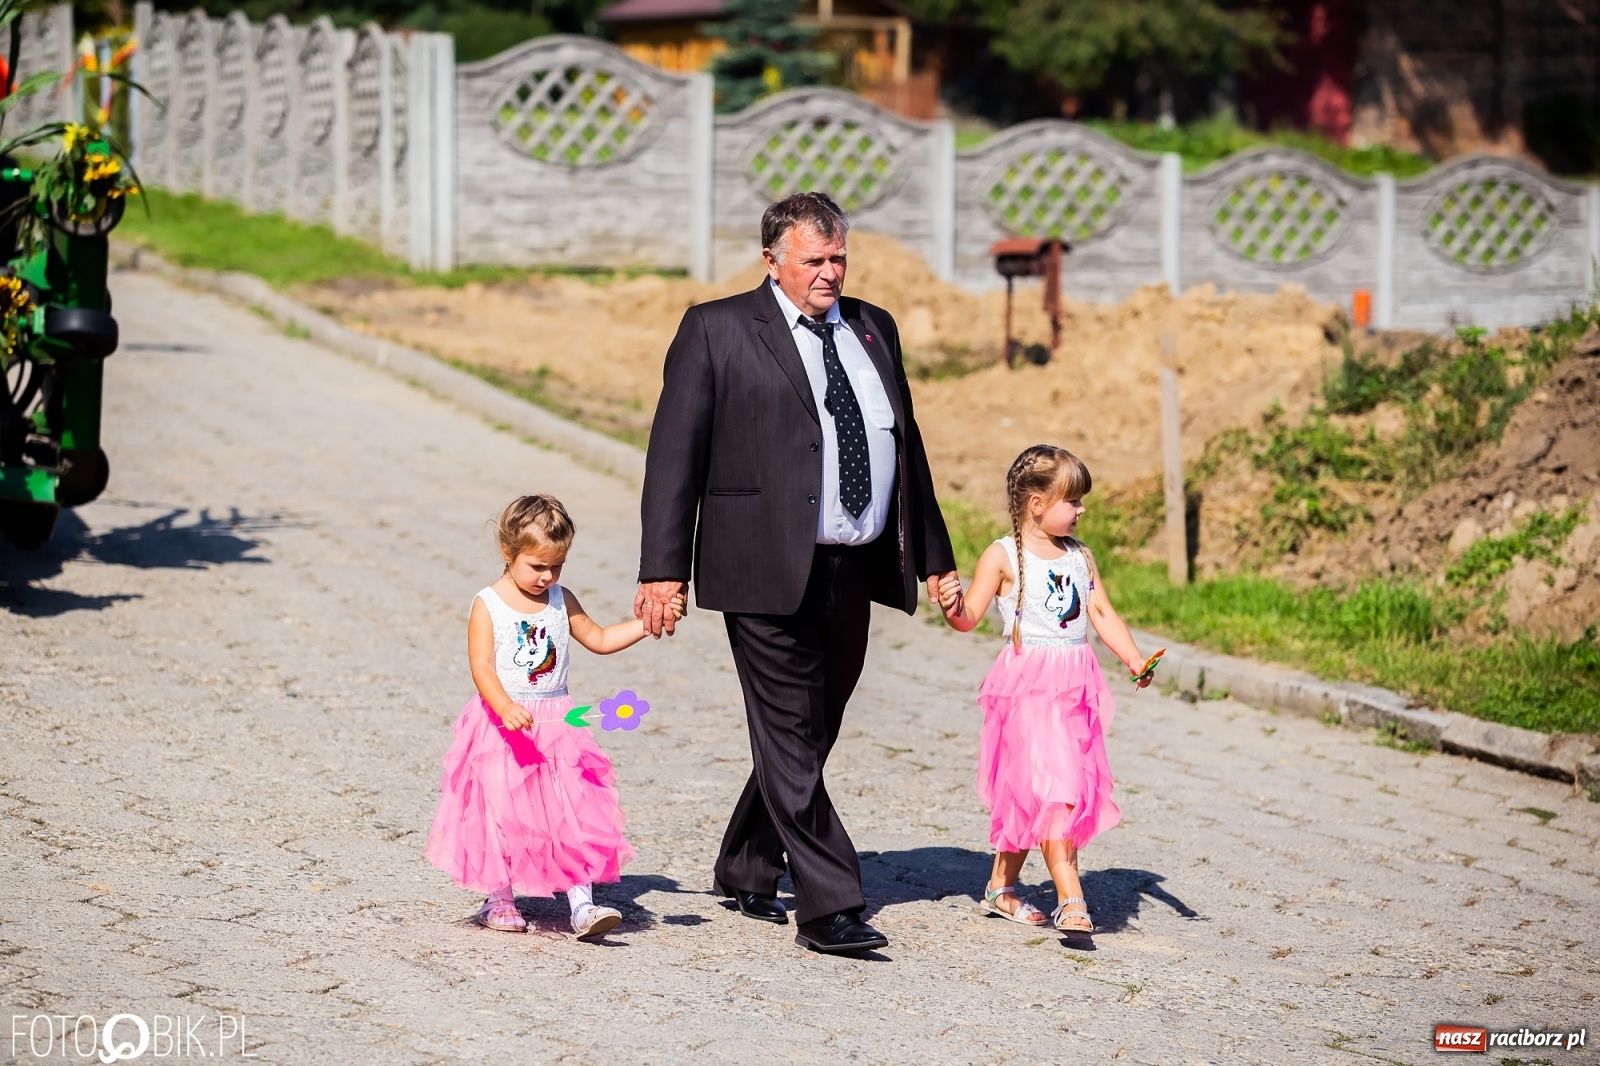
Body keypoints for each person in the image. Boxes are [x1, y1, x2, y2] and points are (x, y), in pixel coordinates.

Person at [635, 191, 959, 955]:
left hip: (853, 564)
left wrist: (936, 558)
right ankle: (829, 903)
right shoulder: (716, 329)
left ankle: (748, 862)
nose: (830, 272)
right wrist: (662, 570)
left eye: (839, 257)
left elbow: (906, 445)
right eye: (815, 259)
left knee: (810, 730)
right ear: (772, 261)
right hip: (759, 564)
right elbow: (674, 455)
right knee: (788, 727)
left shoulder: (874, 327)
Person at [426, 494, 683, 939]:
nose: (547, 576)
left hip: (558, 724)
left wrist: (647, 624)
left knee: (571, 810)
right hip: (504, 725)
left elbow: (600, 638)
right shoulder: (489, 603)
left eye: (557, 566)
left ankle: (582, 904)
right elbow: (482, 666)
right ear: (508, 553)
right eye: (537, 566)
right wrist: (505, 706)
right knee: (502, 812)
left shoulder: (562, 600)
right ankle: (500, 899)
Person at [933, 445, 1154, 933]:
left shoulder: (1080, 556)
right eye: (1072, 500)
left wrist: (1134, 658)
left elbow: (1101, 613)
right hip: (1027, 690)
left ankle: (1000, 887)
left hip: (1073, 689)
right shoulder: (1001, 555)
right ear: (1037, 503)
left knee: (1035, 790)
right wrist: (952, 606)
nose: (1081, 509)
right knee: (1058, 790)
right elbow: (968, 617)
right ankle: (1072, 897)